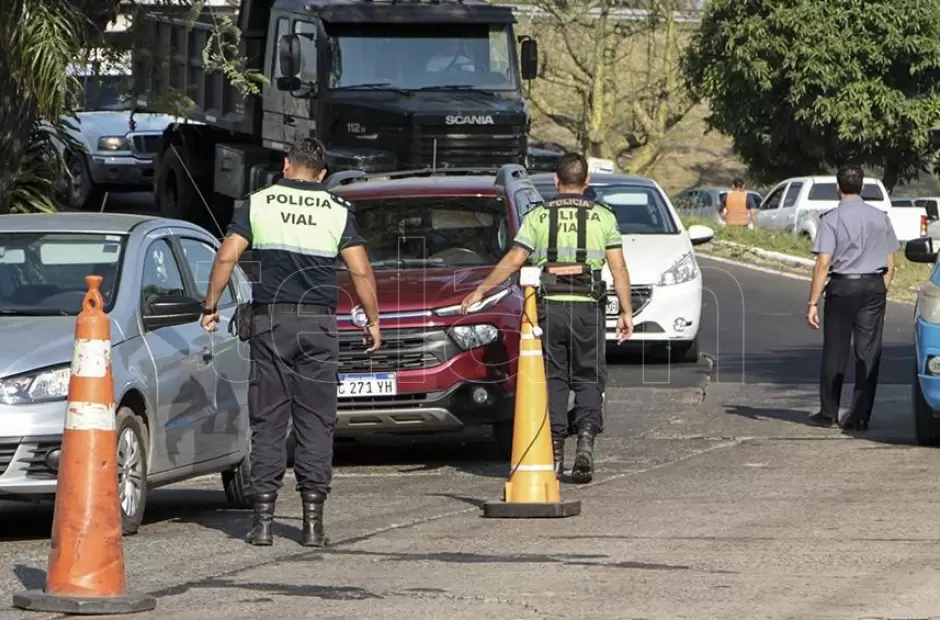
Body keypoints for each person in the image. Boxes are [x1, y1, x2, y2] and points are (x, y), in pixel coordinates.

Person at [199, 136, 381, 547]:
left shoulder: (258, 203)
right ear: (322, 175)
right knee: (317, 421)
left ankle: (263, 523)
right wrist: (372, 320)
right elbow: (361, 272)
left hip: (270, 324)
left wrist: (211, 304)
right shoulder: (337, 210)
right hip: (318, 327)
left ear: (285, 165)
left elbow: (227, 256)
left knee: (269, 421)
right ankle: (313, 524)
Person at [459, 152, 634, 483]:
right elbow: (619, 268)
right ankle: (585, 441)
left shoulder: (538, 217)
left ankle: (553, 453)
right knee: (588, 377)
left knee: (554, 379)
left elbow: (515, 257)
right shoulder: (603, 217)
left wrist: (480, 290)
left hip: (550, 310)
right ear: (587, 183)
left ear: (556, 182)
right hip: (587, 309)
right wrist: (625, 311)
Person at [806, 164, 898, 431]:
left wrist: (812, 302)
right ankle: (859, 416)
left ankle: (829, 412)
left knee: (835, 350)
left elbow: (823, 263)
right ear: (863, 187)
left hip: (842, 286)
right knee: (867, 353)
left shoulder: (831, 219)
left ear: (838, 188)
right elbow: (891, 261)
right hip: (873, 285)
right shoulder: (880, 217)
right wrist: (882, 287)